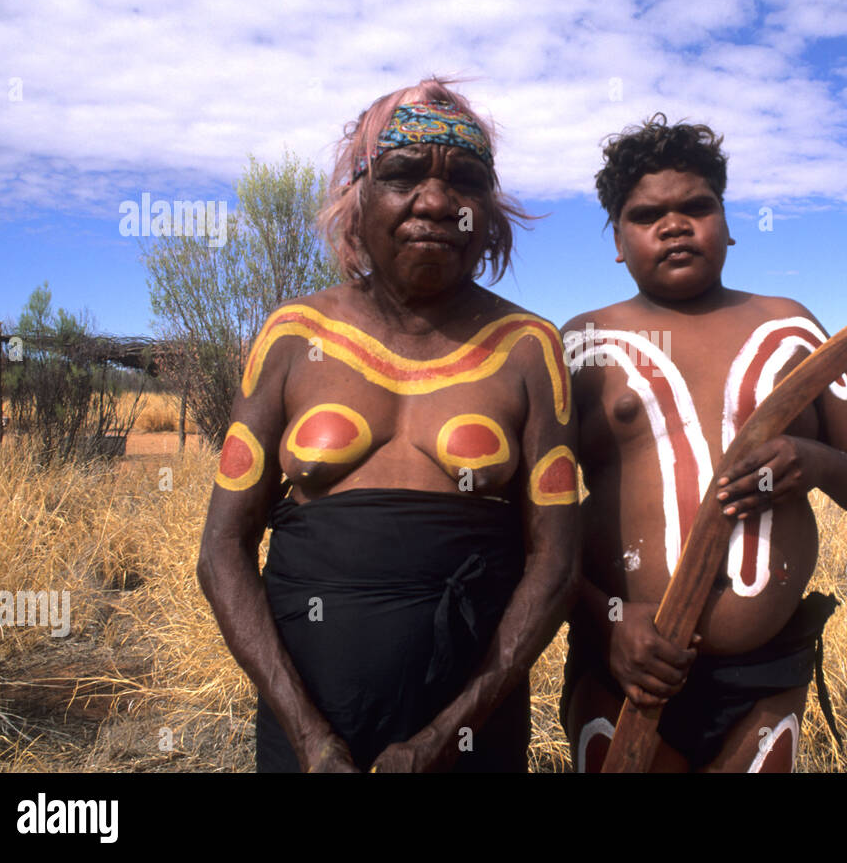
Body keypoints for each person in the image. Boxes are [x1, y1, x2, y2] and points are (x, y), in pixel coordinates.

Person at [198, 78, 578, 773]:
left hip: (472, 738)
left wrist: (448, 731)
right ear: (358, 196)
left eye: (464, 180)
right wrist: (311, 739)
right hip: (305, 731)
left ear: (488, 213)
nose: (435, 201)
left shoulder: (528, 349)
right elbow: (222, 549)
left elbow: (555, 562)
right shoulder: (293, 337)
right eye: (403, 174)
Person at [560, 114, 847, 772]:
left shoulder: (793, 329)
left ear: (728, 221)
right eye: (646, 214)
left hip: (766, 679)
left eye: (697, 206)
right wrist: (608, 620)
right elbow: (535, 528)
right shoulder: (579, 346)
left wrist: (816, 460)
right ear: (618, 242)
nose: (675, 224)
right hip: (623, 670)